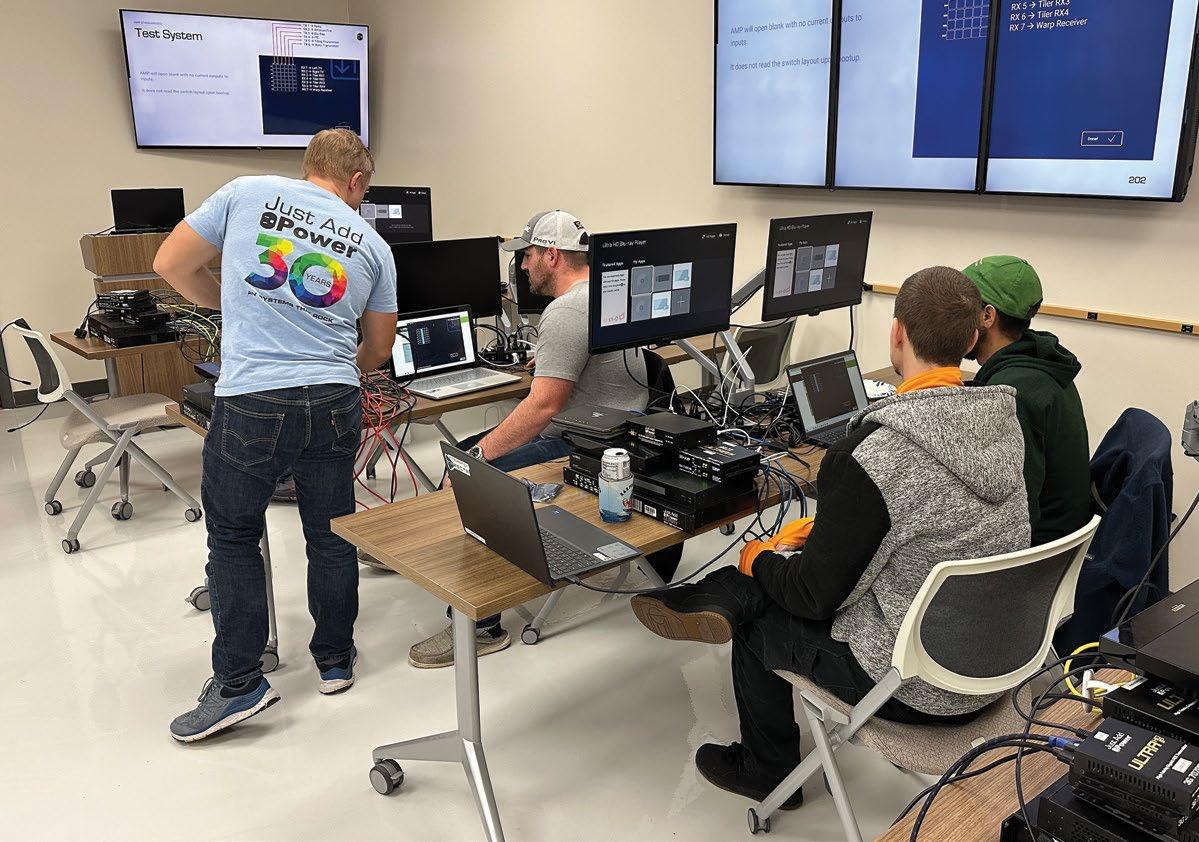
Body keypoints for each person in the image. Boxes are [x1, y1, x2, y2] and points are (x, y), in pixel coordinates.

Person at [628, 267, 1032, 808]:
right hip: (997, 665)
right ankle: (719, 592)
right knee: (783, 567)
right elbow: (929, 522)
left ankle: (765, 770)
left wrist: (758, 556)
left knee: (762, 603)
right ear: (969, 341)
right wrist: (833, 530)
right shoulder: (999, 425)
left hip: (919, 688)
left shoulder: (876, 455)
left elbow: (812, 597)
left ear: (897, 333)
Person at [154, 128, 397, 742]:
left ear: (308, 166)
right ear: (357, 182)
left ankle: (239, 684)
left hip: (254, 399)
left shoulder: (245, 191)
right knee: (332, 534)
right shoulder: (373, 244)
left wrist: (230, 309)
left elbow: (169, 263)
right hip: (335, 398)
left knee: (234, 538)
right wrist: (338, 366)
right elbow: (379, 346)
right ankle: (334, 661)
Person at [407, 209, 664, 669]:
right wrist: (549, 363)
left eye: (526, 256)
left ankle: (480, 627)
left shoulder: (565, 311)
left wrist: (479, 456)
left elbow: (544, 406)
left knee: (468, 473)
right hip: (617, 432)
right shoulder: (608, 294)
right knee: (462, 451)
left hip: (581, 445)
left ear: (551, 255)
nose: (522, 267)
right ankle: (418, 538)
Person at [963, 255, 1091, 545]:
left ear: (987, 316)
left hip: (1037, 550)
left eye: (962, 309)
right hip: (1060, 535)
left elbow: (1014, 509)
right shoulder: (1039, 363)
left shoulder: (1012, 392)